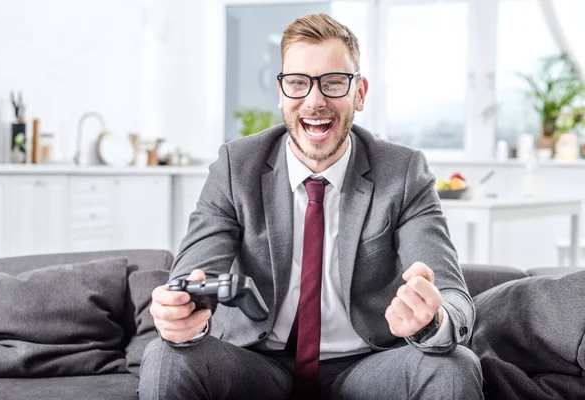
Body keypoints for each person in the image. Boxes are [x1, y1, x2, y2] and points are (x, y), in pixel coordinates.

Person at [139, 13, 483, 400]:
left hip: (365, 366)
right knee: (165, 357)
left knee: (453, 366)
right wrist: (181, 315)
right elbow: (192, 274)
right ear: (282, 93)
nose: (315, 101)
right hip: (256, 361)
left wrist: (431, 319)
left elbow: (454, 298)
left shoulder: (402, 172)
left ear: (360, 93)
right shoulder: (236, 167)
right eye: (298, 83)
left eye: (334, 83)